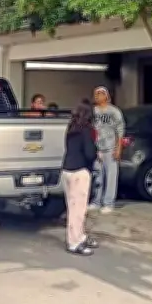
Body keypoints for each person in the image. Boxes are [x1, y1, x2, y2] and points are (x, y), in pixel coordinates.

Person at [61, 102, 100, 255]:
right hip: (80, 171)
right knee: (79, 210)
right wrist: (97, 153)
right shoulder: (87, 130)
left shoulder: (71, 128)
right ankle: (74, 242)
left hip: (67, 170)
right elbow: (90, 153)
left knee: (72, 207)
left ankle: (80, 236)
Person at [89, 86, 125, 213]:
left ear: (106, 96)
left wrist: (118, 149)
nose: (97, 96)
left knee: (111, 176)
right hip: (97, 148)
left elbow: (120, 132)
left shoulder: (114, 112)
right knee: (97, 176)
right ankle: (96, 201)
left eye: (100, 93)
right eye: (95, 94)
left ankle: (109, 203)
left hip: (111, 148)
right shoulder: (93, 112)